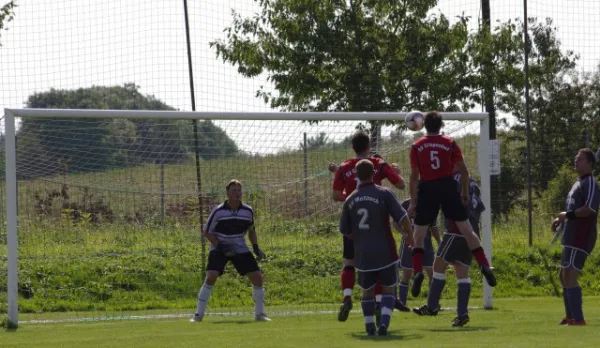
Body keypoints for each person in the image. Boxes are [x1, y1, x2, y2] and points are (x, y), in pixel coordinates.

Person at [407, 111, 496, 297]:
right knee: (467, 230)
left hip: (427, 188)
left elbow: (414, 178)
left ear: (424, 125)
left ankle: (417, 273)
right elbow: (464, 172)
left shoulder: (416, 146)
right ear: (441, 126)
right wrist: (463, 193)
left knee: (419, 235)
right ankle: (485, 265)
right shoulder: (450, 143)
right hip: (448, 186)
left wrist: (414, 202)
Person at [330, 131, 405, 322]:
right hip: (376, 224)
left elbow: (336, 195)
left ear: (352, 147)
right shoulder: (378, 164)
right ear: (369, 146)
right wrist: (396, 171)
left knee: (349, 263)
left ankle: (347, 297)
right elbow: (401, 185)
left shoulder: (344, 167)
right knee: (380, 264)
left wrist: (353, 196)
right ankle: (380, 304)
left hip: (353, 223)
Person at [339, 159, 413, 336]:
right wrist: (409, 235)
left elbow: (345, 231)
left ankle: (369, 325)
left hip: (363, 254)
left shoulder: (349, 200)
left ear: (356, 176)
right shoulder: (384, 193)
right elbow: (402, 217)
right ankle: (384, 325)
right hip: (385, 251)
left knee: (367, 291)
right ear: (374, 173)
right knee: (388, 288)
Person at [412, 169, 486, 327]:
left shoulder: (451, 181)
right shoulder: (471, 181)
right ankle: (462, 314)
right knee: (462, 272)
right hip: (472, 231)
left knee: (438, 265)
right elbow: (478, 206)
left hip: (456, 229)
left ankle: (432, 306)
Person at [191, 180, 269, 322]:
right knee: (211, 276)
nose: (237, 193)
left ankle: (260, 314)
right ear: (227, 193)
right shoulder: (218, 211)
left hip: (240, 247)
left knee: (257, 278)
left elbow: (251, 231)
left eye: (239, 190)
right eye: (234, 190)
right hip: (220, 247)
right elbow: (207, 232)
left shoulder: (248, 211)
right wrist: (220, 247)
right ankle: (198, 315)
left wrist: (256, 247)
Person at [551, 148, 599, 326]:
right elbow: (572, 211)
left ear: (589, 163)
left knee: (570, 274)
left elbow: (588, 210)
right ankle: (570, 316)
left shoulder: (590, 182)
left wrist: (567, 215)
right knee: (563, 276)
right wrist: (560, 219)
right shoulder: (577, 183)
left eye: (580, 159)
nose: (576, 161)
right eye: (575, 158)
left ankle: (578, 319)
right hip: (570, 236)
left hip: (581, 236)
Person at [396, 199, 440, 311]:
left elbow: (433, 227)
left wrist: (440, 242)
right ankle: (402, 303)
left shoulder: (429, 203)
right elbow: (395, 223)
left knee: (432, 272)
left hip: (426, 242)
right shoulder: (405, 204)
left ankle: (433, 303)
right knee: (406, 273)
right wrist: (404, 233)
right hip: (408, 242)